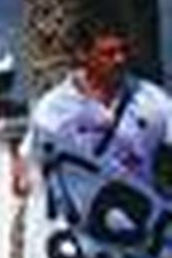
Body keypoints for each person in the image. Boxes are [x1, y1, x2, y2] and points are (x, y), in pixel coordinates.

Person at [17, 18, 172, 192]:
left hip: (138, 212)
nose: (120, 59)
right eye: (109, 53)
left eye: (124, 51)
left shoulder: (151, 98)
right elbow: (28, 164)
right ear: (83, 55)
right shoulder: (55, 108)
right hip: (80, 214)